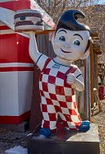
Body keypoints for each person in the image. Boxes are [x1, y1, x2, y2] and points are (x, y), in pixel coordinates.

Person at [26, 10, 91, 138]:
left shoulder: (73, 70)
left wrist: (75, 82)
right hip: (47, 99)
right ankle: (48, 128)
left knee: (71, 117)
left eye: (76, 42)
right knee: (48, 115)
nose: (67, 45)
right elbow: (34, 53)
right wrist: (31, 34)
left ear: (85, 52)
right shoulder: (46, 62)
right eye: (62, 37)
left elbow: (81, 87)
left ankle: (76, 124)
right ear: (53, 38)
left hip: (66, 100)